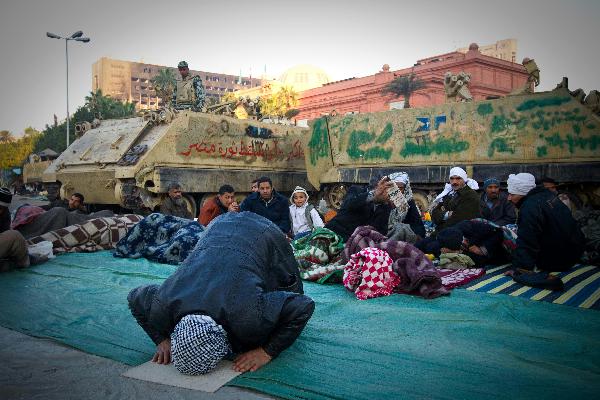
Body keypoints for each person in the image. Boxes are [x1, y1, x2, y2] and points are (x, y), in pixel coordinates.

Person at [127, 212, 315, 375]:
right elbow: (134, 297)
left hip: (265, 233)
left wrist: (266, 351)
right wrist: (161, 339)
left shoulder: (247, 317)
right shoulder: (163, 307)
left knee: (288, 288)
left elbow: (303, 305)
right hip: (217, 226)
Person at [507, 173, 585, 290]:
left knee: (507, 236)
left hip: (559, 261)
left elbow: (527, 241)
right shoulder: (546, 195)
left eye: (512, 194)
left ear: (522, 193)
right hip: (575, 252)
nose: (509, 198)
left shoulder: (529, 207)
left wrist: (520, 269)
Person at [430, 167, 480, 233]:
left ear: (464, 179)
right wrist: (447, 214)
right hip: (443, 232)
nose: (454, 182)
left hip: (455, 235)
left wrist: (442, 215)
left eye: (458, 178)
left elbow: (456, 220)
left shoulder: (470, 196)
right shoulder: (449, 193)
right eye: (452, 179)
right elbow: (434, 214)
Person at [0, 188, 35, 272]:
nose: (0, 211)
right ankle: (25, 262)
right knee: (15, 236)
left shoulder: (5, 215)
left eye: (2, 209)